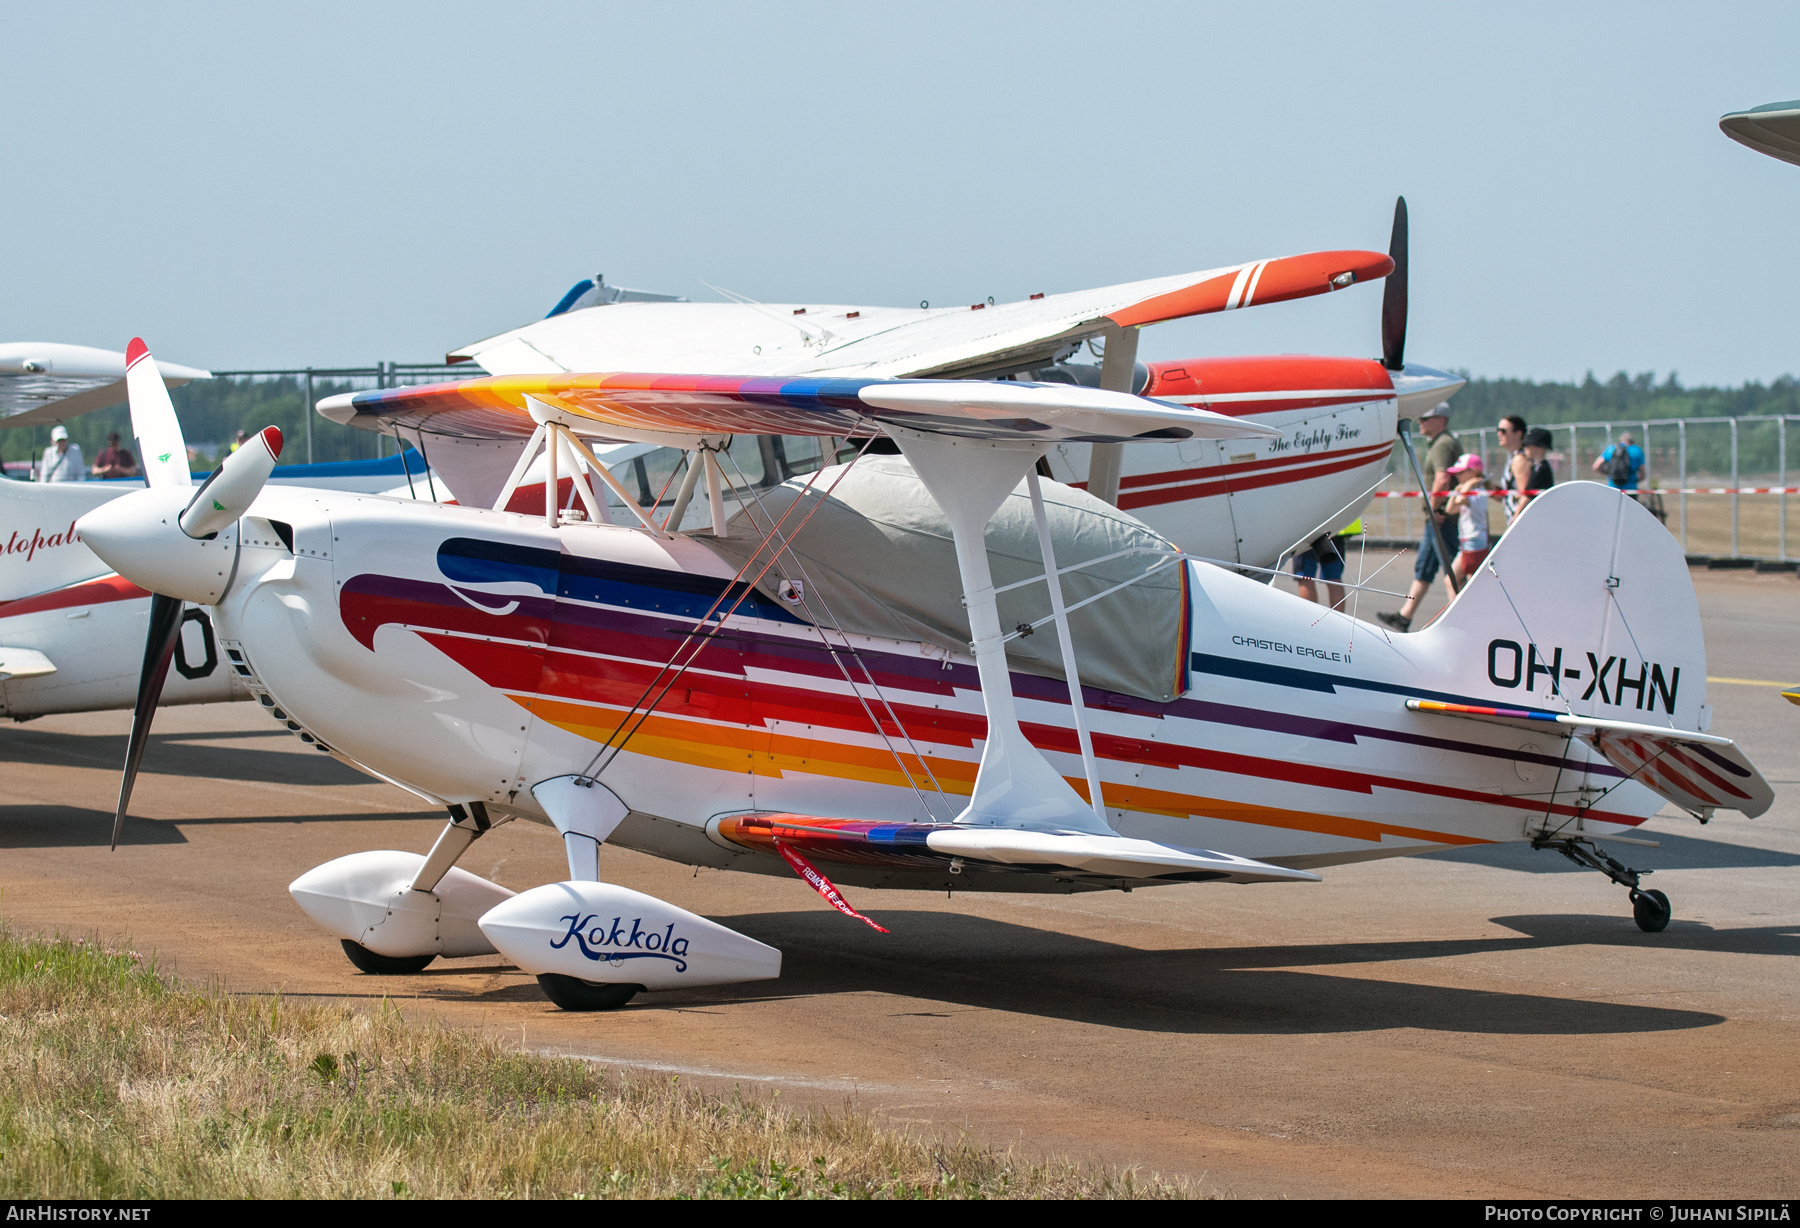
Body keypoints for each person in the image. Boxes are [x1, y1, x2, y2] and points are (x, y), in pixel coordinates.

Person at [1377, 403, 1460, 632]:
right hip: (1438, 517)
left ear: (1441, 420)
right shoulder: (1438, 443)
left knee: (1453, 571)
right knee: (1425, 568)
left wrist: (1435, 510)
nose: (1420, 422)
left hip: (1441, 518)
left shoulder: (1443, 444)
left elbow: (1442, 480)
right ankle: (1405, 616)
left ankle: (1459, 617)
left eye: (1425, 417)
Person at [1443, 454, 1491, 582]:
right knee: (1455, 581)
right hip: (1467, 542)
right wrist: (1458, 489)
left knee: (1461, 582)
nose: (1457, 476)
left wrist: (1468, 486)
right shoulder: (1467, 490)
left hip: (1475, 542)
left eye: (1461, 472)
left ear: (1473, 472)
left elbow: (1460, 500)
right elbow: (1450, 509)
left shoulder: (1477, 492)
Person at [1293, 531, 1347, 611]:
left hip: (1308, 529)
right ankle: (1338, 621)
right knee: (1334, 578)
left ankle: (1310, 620)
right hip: (1335, 528)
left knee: (1305, 578)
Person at [1496, 415, 1533, 522]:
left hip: (1521, 522)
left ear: (1518, 433)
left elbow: (1524, 495)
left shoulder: (1519, 459)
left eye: (1503, 431)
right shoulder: (1511, 458)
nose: (1499, 434)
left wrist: (1515, 519)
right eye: (1498, 430)